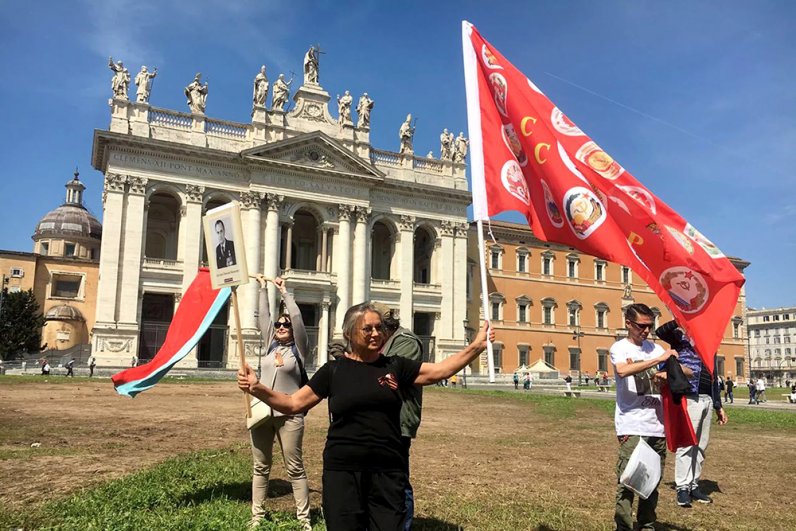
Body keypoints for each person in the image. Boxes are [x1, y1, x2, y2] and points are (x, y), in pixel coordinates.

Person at [237, 302, 494, 531]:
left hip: (387, 471)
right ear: (349, 333)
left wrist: (477, 347)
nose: (376, 333)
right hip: (343, 472)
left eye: (379, 328)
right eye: (367, 329)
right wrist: (257, 387)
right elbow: (293, 403)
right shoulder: (333, 371)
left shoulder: (395, 365)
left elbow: (440, 371)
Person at [248, 275, 311, 530]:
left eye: (285, 325)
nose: (282, 326)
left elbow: (296, 318)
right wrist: (263, 289)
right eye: (279, 324)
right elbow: (263, 317)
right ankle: (257, 516)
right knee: (260, 467)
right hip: (262, 412)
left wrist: (285, 293)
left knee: (294, 467)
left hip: (290, 415)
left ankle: (304, 519)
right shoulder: (269, 345)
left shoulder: (300, 349)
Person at [610, 303, 677, 531]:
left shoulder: (656, 349)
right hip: (632, 424)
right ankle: (624, 527)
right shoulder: (620, 348)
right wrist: (658, 361)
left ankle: (647, 525)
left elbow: (684, 370)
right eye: (641, 326)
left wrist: (670, 369)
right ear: (628, 324)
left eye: (650, 326)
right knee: (627, 481)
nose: (647, 331)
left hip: (656, 427)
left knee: (651, 482)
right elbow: (622, 370)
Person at [655, 320, 728, 507]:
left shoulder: (709, 345)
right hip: (690, 396)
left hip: (706, 398)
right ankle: (682, 487)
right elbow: (661, 331)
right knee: (687, 443)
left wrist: (718, 405)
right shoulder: (681, 339)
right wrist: (682, 318)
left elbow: (712, 378)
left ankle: (694, 484)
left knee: (701, 445)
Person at [376, 303, 424, 531]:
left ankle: (403, 526)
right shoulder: (385, 342)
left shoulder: (407, 341)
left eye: (376, 328)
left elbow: (389, 374)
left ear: (387, 327)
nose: (372, 334)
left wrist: (354, 360)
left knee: (397, 478)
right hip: (381, 417)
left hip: (399, 419)